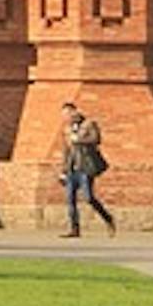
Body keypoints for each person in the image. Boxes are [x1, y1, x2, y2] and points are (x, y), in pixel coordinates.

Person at [57, 100, 114, 238]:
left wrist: (79, 140)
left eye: (68, 114)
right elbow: (66, 151)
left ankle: (108, 218)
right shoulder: (66, 129)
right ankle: (74, 229)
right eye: (63, 115)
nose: (66, 118)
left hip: (85, 166)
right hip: (72, 167)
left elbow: (96, 139)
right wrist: (63, 170)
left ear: (74, 112)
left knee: (88, 197)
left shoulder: (88, 124)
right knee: (70, 199)